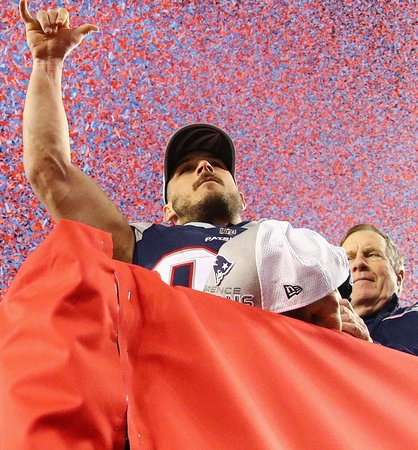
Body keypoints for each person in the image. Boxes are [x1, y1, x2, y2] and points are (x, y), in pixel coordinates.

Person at [19, 0, 339, 327]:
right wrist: (47, 62)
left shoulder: (281, 242)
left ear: (242, 198)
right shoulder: (135, 242)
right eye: (185, 169)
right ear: (168, 210)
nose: (204, 167)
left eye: (216, 163)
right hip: (167, 374)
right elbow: (48, 169)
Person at [340, 223, 418, 355]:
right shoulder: (316, 329)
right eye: (348, 258)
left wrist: (368, 348)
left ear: (398, 278)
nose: (359, 263)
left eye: (372, 255)